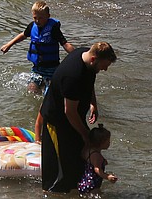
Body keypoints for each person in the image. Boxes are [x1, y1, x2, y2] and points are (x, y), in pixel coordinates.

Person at [39, 41, 118, 193]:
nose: (106, 69)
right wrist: (85, 135)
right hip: (57, 122)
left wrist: (93, 103)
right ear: (94, 59)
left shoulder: (86, 57)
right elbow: (69, 112)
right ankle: (51, 193)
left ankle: (75, 189)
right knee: (58, 174)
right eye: (104, 65)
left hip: (73, 120)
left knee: (77, 162)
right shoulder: (72, 75)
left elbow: (90, 80)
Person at [1, 1, 74, 93]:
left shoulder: (53, 29)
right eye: (35, 18)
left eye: (41, 18)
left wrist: (77, 55)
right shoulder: (32, 26)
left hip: (52, 69)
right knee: (32, 90)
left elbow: (65, 44)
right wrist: (9, 45)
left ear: (48, 16)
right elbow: (23, 35)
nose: (37, 21)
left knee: (49, 94)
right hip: (37, 69)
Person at [78, 125, 119, 193]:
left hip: (84, 181)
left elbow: (89, 161)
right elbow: (97, 169)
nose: (109, 143)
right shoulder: (97, 156)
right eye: (108, 141)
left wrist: (102, 161)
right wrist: (107, 176)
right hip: (93, 185)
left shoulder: (88, 151)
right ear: (101, 143)